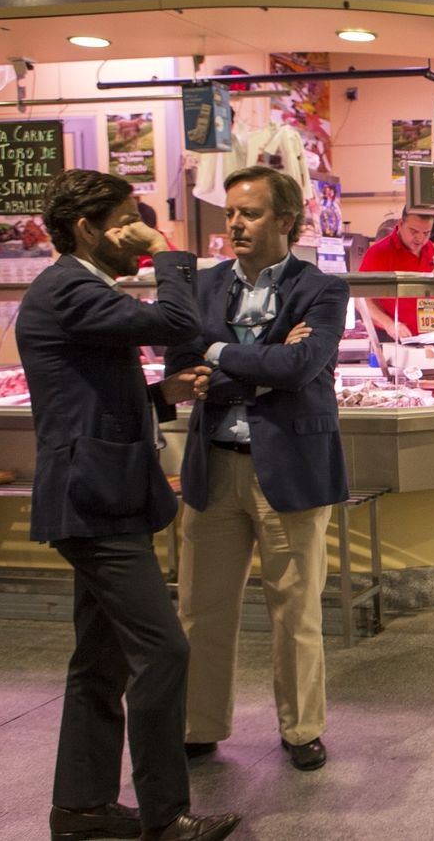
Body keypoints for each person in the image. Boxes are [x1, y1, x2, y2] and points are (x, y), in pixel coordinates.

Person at [16, 169, 240, 841]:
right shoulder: (71, 289)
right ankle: (167, 816)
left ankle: (81, 809)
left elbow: (83, 394)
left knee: (100, 659)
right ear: (87, 228)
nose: (135, 231)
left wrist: (160, 397)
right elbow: (180, 318)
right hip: (94, 500)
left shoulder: (78, 292)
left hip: (101, 492)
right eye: (125, 219)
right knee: (165, 652)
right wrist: (167, 245)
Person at [166, 165, 349, 773]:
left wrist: (220, 353)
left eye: (250, 213)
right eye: (231, 213)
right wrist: (261, 360)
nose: (235, 224)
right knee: (200, 606)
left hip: (291, 470)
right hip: (213, 465)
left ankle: (301, 730)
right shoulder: (202, 285)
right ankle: (198, 725)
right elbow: (181, 367)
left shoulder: (321, 288)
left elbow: (302, 367)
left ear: (286, 220)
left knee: (295, 610)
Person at [357, 206, 434, 340]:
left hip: (426, 336)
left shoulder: (429, 248)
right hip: (389, 337)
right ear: (400, 224)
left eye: (426, 233)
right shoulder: (379, 253)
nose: (420, 239)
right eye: (414, 231)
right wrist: (390, 324)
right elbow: (362, 301)